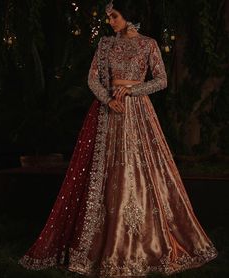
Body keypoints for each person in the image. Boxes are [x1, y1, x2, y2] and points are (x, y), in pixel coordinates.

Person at [18, 0, 218, 276]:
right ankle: (104, 238)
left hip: (138, 112)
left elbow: (161, 80)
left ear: (129, 16)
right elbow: (92, 79)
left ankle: (144, 240)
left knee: (143, 169)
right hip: (109, 110)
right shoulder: (105, 45)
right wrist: (108, 99)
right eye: (109, 17)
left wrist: (134, 91)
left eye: (114, 16)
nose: (110, 21)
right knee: (105, 171)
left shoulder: (149, 44)